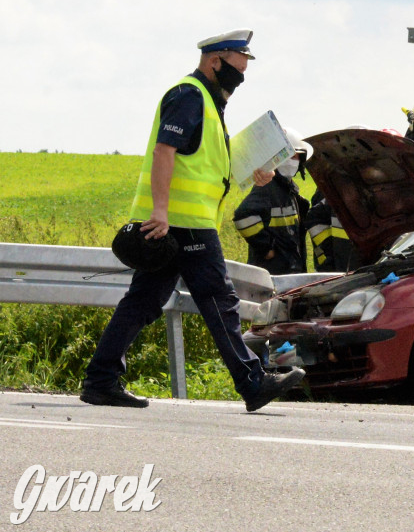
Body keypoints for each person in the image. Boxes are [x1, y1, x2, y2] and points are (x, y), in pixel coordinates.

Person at [81, 29, 305, 411]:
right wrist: (161, 212)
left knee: (144, 301)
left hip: (183, 223)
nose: (240, 78)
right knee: (219, 300)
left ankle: (101, 379)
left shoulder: (208, 104)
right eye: (236, 68)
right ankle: (252, 383)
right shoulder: (189, 95)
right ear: (214, 61)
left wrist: (253, 170)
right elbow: (164, 151)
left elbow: (202, 162)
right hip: (180, 225)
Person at [232, 127, 312, 275]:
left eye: (296, 157)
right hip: (272, 272)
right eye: (288, 156)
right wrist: (267, 249)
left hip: (290, 272)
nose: (292, 162)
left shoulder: (290, 190)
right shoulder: (267, 186)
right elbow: (243, 216)